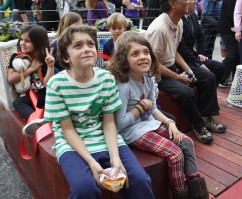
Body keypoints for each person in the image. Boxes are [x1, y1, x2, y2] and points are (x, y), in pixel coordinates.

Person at [42, 25, 154, 198]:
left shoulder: (106, 79)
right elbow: (68, 129)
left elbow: (109, 122)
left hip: (105, 135)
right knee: (84, 189)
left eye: (90, 44)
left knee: (139, 181)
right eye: (78, 46)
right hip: (72, 143)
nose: (87, 49)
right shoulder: (56, 85)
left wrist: (115, 157)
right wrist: (91, 162)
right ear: (66, 57)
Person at [110, 31, 209, 199]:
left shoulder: (148, 78)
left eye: (146, 52)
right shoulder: (123, 85)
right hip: (131, 132)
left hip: (148, 124)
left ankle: (197, 190)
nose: (143, 57)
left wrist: (170, 122)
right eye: (135, 53)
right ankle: (180, 193)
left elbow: (154, 110)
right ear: (123, 60)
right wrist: (141, 107)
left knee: (186, 142)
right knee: (175, 154)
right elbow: (120, 124)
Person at [146, 0, 226, 144]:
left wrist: (189, 70)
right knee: (185, 91)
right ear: (173, 4)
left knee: (207, 76)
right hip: (158, 74)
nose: (192, 1)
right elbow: (154, 65)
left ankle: (206, 117)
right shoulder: (159, 28)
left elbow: (175, 50)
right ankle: (199, 126)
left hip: (172, 66)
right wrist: (178, 77)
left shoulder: (179, 22)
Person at [7, 25, 55, 120]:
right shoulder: (17, 57)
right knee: (17, 103)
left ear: (38, 43)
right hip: (29, 95)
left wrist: (50, 66)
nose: (23, 43)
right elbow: (11, 78)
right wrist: (31, 69)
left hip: (45, 94)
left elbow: (47, 83)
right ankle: (35, 121)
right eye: (21, 40)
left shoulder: (45, 57)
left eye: (27, 41)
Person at [178, 0, 226, 87]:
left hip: (193, 56)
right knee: (208, 75)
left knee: (220, 67)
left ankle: (209, 93)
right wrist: (199, 64)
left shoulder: (193, 15)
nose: (196, 1)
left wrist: (201, 53)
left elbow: (200, 37)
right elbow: (182, 48)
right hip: (183, 60)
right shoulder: (178, 19)